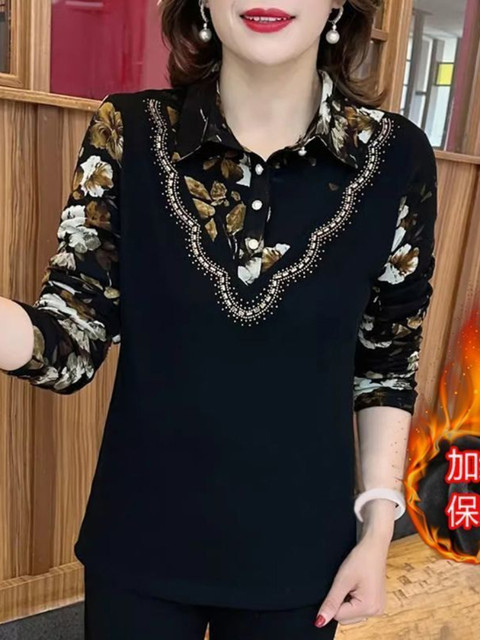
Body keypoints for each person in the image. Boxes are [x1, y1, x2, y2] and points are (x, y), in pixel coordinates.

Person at [0, 0, 438, 638]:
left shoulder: (397, 156)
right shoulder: (128, 131)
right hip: (139, 543)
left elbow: (388, 362)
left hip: (301, 557)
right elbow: (73, 336)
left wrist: (376, 528)